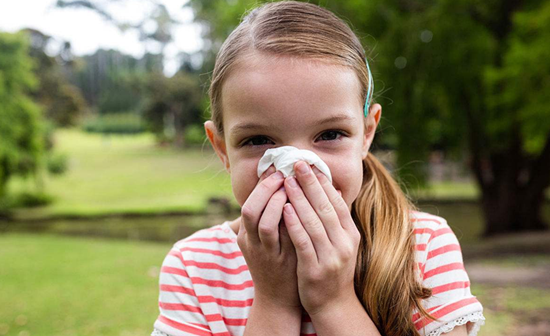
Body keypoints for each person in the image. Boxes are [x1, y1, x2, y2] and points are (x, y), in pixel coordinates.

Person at [151, 1, 485, 336]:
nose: (297, 167)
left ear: (367, 133)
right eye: (258, 140)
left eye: (330, 135)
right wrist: (273, 301)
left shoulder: (421, 247)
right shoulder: (194, 267)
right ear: (222, 148)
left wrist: (333, 301)